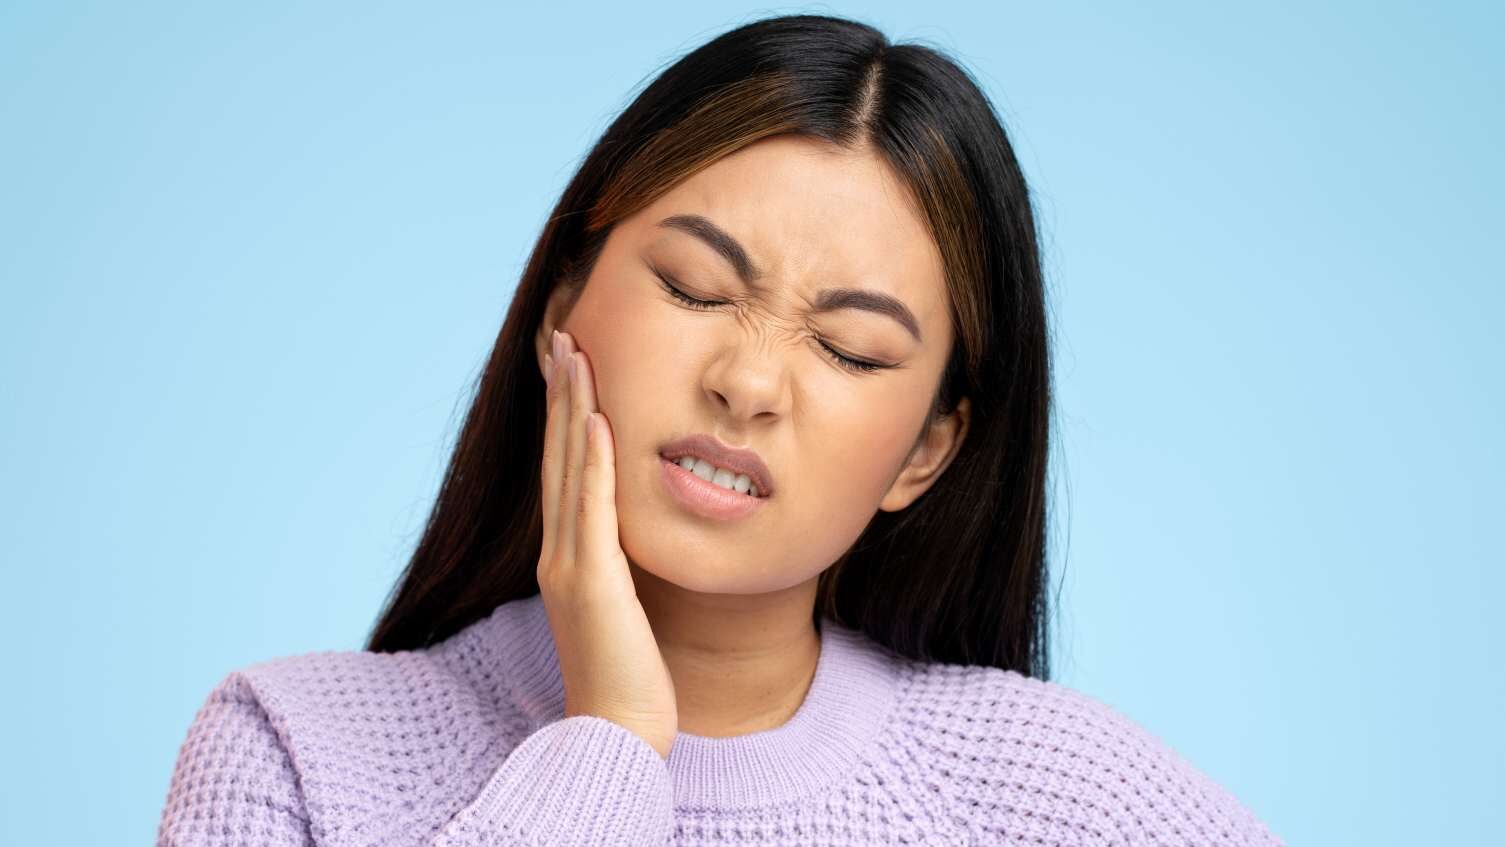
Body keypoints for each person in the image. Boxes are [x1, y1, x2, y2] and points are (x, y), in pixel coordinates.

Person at [157, 13, 1284, 846]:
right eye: (697, 287)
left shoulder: (1065, 798)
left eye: (848, 349)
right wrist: (609, 739)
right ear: (562, 302)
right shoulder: (295, 753)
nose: (749, 382)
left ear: (926, 451)